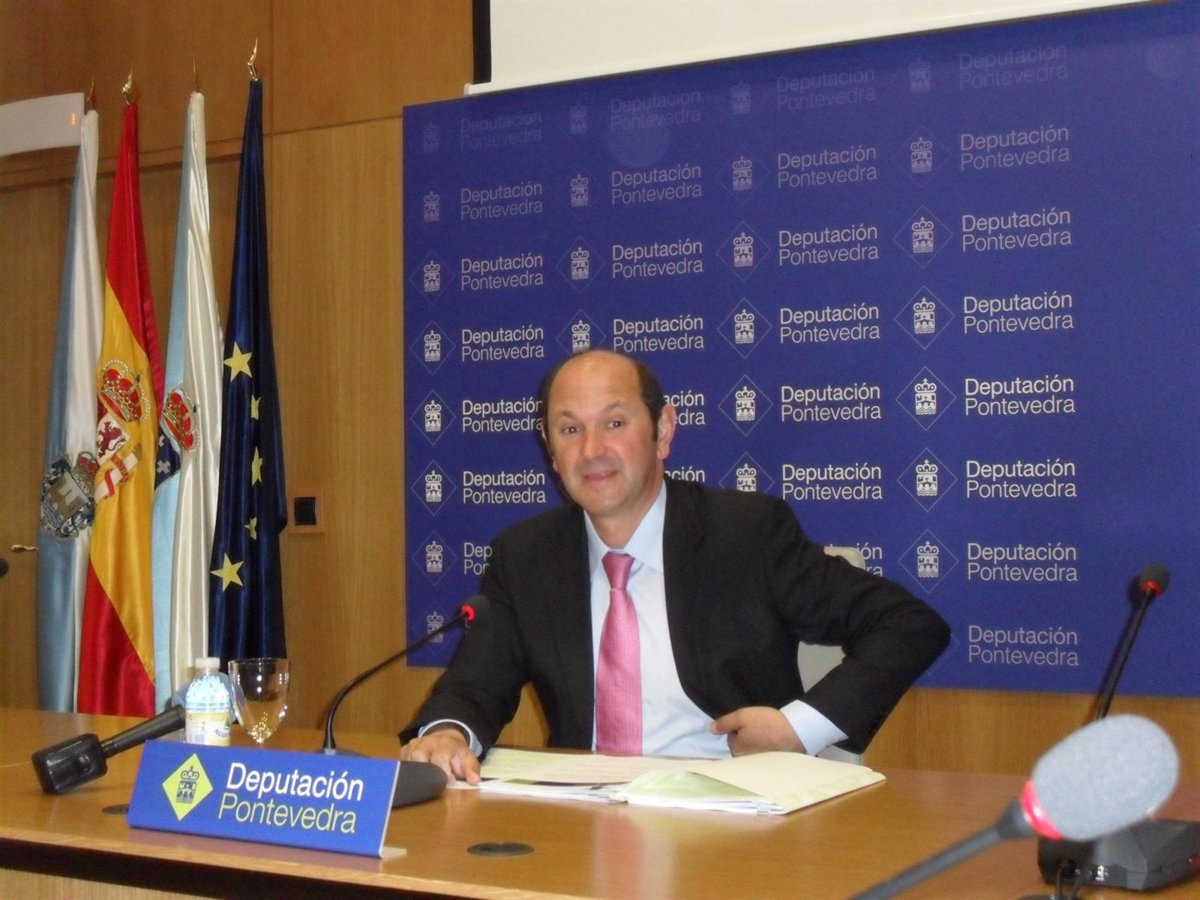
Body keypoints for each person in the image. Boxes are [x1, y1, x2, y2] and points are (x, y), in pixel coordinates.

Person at [400, 349, 949, 783]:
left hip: (736, 809)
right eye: (569, 430)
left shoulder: (746, 534)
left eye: (615, 423)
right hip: (581, 819)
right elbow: (473, 687)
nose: (591, 450)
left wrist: (799, 728)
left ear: (662, 430)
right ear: (550, 449)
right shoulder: (526, 556)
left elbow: (908, 625)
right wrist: (448, 734)